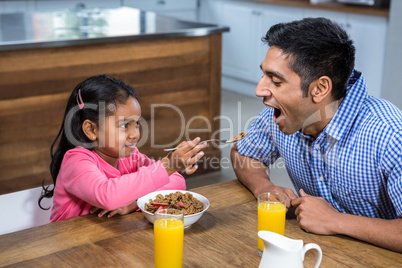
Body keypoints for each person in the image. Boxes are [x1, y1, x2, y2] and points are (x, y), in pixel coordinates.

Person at [231, 17, 402, 252]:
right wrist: (263, 187)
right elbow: (244, 153)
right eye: (264, 75)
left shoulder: (389, 133)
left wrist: (336, 221)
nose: (259, 90)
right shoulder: (283, 115)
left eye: (276, 81)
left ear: (320, 89)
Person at [39, 74, 206, 222]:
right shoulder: (76, 161)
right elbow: (108, 195)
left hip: (109, 244)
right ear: (91, 130)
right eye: (125, 125)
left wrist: (133, 203)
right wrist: (167, 166)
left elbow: (177, 182)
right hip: (68, 251)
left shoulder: (130, 157)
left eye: (137, 124)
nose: (135, 134)